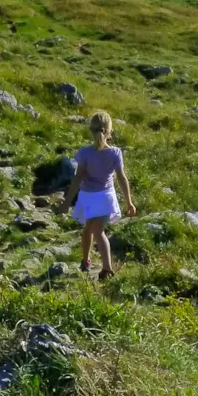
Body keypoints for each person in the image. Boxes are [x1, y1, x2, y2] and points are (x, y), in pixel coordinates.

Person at [59, 110, 136, 280]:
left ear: (91, 130)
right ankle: (87, 260)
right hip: (106, 197)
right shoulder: (115, 153)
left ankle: (105, 267)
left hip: (88, 196)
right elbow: (122, 178)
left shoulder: (85, 153)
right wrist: (129, 202)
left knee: (93, 229)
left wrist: (67, 202)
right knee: (92, 229)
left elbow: (78, 177)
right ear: (109, 131)